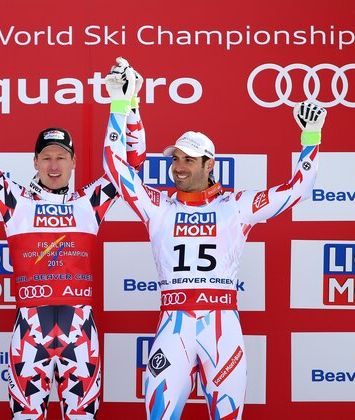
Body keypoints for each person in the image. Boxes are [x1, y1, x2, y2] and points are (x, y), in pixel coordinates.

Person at [102, 64, 327, 419]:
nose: (178, 167)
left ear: (209, 164)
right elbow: (115, 168)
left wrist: (311, 139)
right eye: (175, 159)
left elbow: (295, 190)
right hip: (173, 324)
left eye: (188, 160)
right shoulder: (158, 205)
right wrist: (121, 105)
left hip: (222, 328)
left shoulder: (236, 206)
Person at [0, 54, 146, 419]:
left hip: (81, 334)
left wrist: (126, 103)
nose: (54, 165)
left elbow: (129, 166)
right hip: (29, 332)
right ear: (35, 162)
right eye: (46, 158)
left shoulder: (89, 202)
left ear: (73, 163)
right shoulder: (15, 201)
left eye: (61, 158)